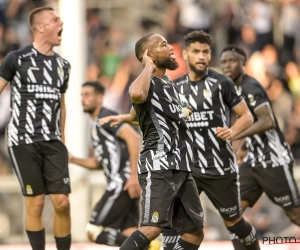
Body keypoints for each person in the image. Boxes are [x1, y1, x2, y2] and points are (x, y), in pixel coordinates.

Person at [162, 31, 260, 250]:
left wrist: (233, 131)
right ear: (185, 54)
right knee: (176, 222)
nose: (201, 56)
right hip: (187, 169)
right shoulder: (175, 87)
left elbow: (247, 116)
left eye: (205, 52)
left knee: (234, 223)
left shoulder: (221, 83)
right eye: (196, 51)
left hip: (220, 168)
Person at [112, 33, 205, 250]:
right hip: (159, 164)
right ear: (150, 55)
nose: (171, 48)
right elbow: (136, 94)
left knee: (194, 232)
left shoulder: (167, 83)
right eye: (164, 45)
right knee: (152, 228)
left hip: (181, 165)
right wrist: (148, 66)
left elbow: (136, 115)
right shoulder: (147, 81)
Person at [0, 7, 71, 250]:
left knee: (63, 203)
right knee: (37, 203)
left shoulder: (63, 66)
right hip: (23, 140)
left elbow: (62, 104)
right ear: (40, 27)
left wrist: (62, 138)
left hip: (53, 142)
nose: (61, 22)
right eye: (55, 19)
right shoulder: (16, 59)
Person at [220, 44, 300, 248]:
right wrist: (245, 145)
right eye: (224, 62)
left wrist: (235, 133)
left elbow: (267, 121)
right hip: (253, 160)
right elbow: (252, 122)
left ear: (243, 63)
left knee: (294, 214)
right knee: (232, 214)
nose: (227, 65)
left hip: (272, 158)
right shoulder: (234, 89)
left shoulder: (251, 86)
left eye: (232, 61)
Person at [68, 81, 144, 247]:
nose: (83, 99)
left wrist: (133, 176)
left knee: (93, 230)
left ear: (100, 97)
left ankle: (151, 247)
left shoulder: (106, 117)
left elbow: (134, 138)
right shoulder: (96, 125)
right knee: (129, 231)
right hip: (123, 183)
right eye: (82, 95)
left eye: (88, 95)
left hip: (122, 183)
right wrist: (73, 159)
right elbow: (98, 162)